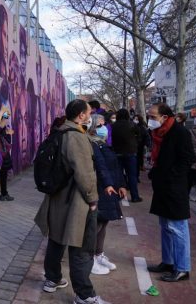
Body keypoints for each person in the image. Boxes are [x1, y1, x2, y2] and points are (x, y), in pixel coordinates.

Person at [36, 100, 111, 304]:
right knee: (82, 248)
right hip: (76, 201)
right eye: (88, 113)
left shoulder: (59, 132)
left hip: (58, 197)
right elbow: (85, 174)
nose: (90, 116)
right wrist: (93, 199)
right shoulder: (76, 137)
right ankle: (84, 294)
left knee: (56, 239)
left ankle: (52, 279)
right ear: (80, 115)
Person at [146, 103, 196, 282]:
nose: (150, 120)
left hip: (175, 187)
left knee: (178, 228)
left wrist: (172, 177)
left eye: (153, 117)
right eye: (149, 116)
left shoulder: (179, 132)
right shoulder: (160, 133)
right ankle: (168, 262)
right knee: (166, 227)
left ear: (164, 117)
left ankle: (182, 268)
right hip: (162, 186)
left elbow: (188, 158)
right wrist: (156, 173)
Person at [87, 114, 127, 276]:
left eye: (104, 125)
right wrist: (110, 184)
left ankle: (98, 254)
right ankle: (90, 259)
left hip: (109, 187)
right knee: (96, 223)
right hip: (101, 187)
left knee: (104, 222)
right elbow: (101, 167)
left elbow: (115, 166)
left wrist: (121, 185)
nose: (103, 128)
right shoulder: (92, 144)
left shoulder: (103, 143)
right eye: (99, 125)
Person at [111, 109, 142, 202]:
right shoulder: (132, 124)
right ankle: (135, 196)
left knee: (118, 174)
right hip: (130, 152)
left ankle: (118, 196)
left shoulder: (114, 125)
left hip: (117, 152)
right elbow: (140, 136)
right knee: (132, 175)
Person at [0, 126, 15, 201]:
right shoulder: (2, 136)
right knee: (3, 176)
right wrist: (8, 133)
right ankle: (4, 194)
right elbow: (8, 145)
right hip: (3, 159)